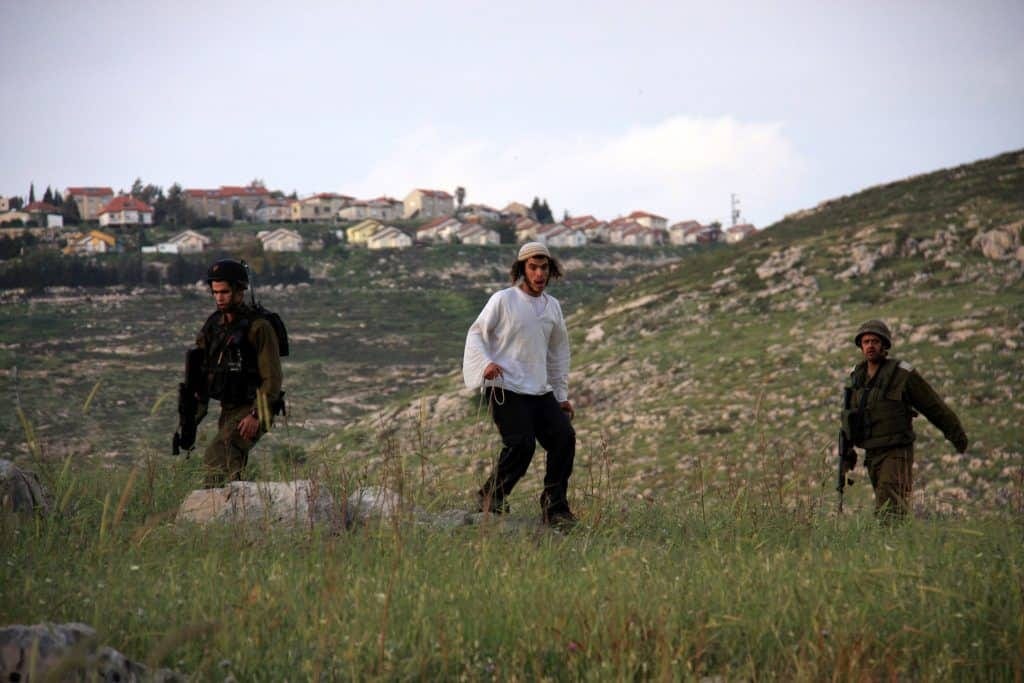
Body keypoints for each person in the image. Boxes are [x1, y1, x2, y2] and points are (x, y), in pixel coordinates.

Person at [463, 242, 577, 528]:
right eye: (533, 268)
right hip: (505, 388)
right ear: (522, 270)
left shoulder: (553, 307)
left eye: (544, 268)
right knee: (521, 444)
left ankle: (556, 509)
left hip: (539, 390)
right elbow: (476, 334)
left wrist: (561, 396)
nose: (539, 274)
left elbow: (558, 353)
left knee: (564, 439)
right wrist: (486, 363)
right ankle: (492, 497)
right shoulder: (503, 300)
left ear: (551, 271)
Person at [841, 319, 968, 519]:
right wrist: (847, 452)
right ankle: (895, 544)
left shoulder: (902, 374)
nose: (870, 346)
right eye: (866, 342)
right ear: (860, 346)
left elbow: (933, 406)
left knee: (890, 509)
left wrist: (957, 436)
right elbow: (850, 417)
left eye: (875, 341)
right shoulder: (857, 377)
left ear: (884, 345)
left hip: (897, 451)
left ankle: (889, 546)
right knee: (889, 507)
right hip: (872, 453)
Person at [195, 259, 283, 487]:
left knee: (218, 454)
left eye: (224, 292)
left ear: (239, 291)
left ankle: (213, 509)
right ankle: (236, 512)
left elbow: (272, 379)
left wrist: (256, 414)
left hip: (255, 405)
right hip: (229, 407)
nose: (219, 298)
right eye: (215, 293)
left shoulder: (258, 328)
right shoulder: (214, 326)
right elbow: (202, 371)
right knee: (231, 464)